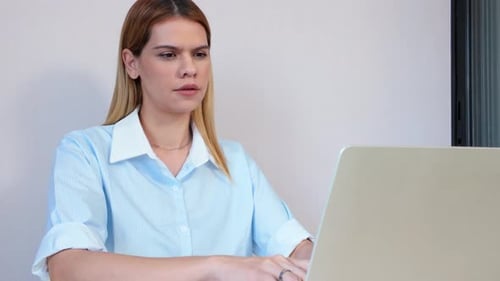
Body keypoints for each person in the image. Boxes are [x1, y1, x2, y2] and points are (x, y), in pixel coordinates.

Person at [32, 0, 313, 280]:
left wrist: (317, 261)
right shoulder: (85, 152)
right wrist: (215, 267)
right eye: (168, 55)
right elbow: (68, 268)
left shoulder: (235, 162)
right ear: (132, 64)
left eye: (200, 54)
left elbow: (298, 249)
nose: (189, 68)